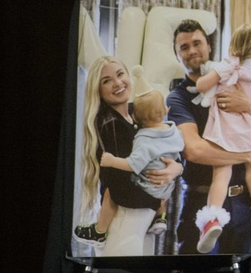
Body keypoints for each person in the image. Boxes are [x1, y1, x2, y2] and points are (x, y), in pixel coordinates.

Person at [74, 57, 184, 254]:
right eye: (106, 81)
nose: (117, 83)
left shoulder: (139, 112)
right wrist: (157, 198)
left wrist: (176, 168)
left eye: (120, 74)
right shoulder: (110, 123)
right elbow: (122, 179)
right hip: (126, 215)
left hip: (143, 217)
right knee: (122, 271)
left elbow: (166, 144)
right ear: (97, 90)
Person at [167, 19, 251, 255]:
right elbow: (194, 150)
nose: (192, 51)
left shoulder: (238, 81)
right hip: (201, 201)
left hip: (243, 203)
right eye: (184, 47)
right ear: (177, 56)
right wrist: (248, 155)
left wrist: (248, 105)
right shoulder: (178, 99)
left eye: (197, 43)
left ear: (209, 46)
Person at [99, 85, 185, 234]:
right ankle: (161, 218)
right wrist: (178, 167)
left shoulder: (144, 139)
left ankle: (99, 230)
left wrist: (111, 161)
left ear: (135, 118)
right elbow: (179, 152)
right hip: (168, 187)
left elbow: (132, 164)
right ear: (166, 110)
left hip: (148, 188)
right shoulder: (174, 131)